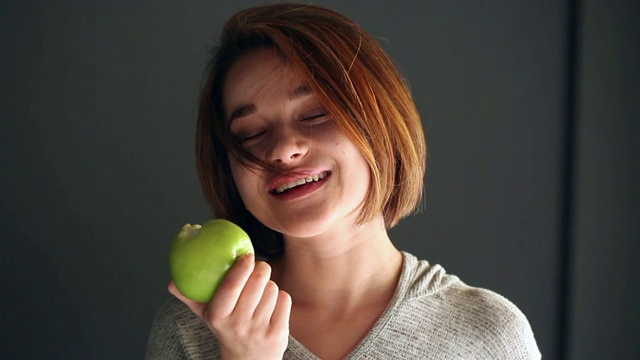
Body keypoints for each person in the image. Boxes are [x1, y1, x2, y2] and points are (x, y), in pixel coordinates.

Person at [145, 3, 541, 359]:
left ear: (380, 124)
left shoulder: (487, 336)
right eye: (249, 134)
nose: (283, 149)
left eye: (315, 113)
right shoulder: (190, 330)